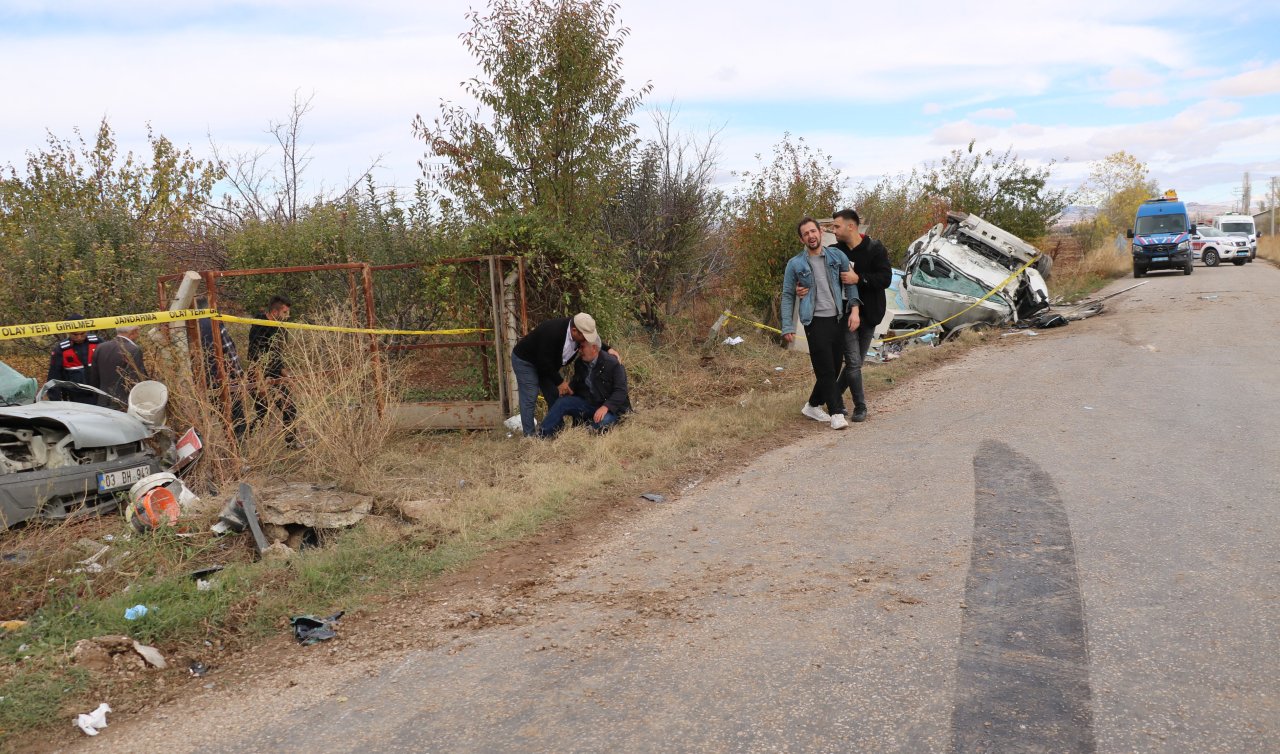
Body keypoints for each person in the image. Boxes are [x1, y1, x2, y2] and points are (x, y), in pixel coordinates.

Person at [780, 217, 859, 431]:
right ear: (801, 239)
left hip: (837, 318)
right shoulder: (795, 264)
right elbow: (787, 294)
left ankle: (812, 405)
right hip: (813, 321)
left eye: (813, 231)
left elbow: (850, 284)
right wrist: (787, 325)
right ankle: (835, 413)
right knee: (824, 368)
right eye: (806, 234)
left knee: (833, 367)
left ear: (820, 233)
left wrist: (854, 310)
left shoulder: (837, 256)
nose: (811, 236)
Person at [830, 209, 892, 422]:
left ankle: (833, 397)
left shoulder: (875, 249)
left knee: (856, 364)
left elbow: (885, 279)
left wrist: (859, 279)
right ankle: (860, 406)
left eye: (837, 226)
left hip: (871, 315)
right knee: (854, 362)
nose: (833, 230)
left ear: (851, 226)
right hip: (846, 315)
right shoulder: (835, 251)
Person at [510, 312, 609, 437]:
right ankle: (529, 436)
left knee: (553, 394)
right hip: (526, 361)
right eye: (585, 336)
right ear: (574, 331)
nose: (586, 340)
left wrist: (609, 348)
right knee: (530, 396)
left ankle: (555, 430)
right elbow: (543, 360)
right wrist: (560, 382)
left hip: (546, 365)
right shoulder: (552, 331)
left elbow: (594, 342)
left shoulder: (579, 332)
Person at [537, 333, 630, 437]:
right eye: (578, 347)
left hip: (613, 409)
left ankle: (586, 433)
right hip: (591, 404)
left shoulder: (613, 363)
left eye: (582, 347)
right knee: (562, 403)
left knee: (600, 423)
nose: (579, 350)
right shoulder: (579, 363)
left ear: (594, 348)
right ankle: (542, 436)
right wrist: (570, 389)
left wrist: (605, 407)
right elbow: (578, 383)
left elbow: (621, 391)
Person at [247, 295, 296, 428]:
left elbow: (275, 354)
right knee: (263, 413)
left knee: (290, 408)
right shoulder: (260, 325)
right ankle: (242, 439)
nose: (288, 316)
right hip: (258, 372)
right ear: (274, 312)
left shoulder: (277, 326)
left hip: (273, 371)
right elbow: (254, 355)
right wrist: (260, 381)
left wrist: (287, 376)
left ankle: (292, 443)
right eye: (285, 312)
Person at [45, 314, 101, 403]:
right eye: (74, 334)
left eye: (82, 333)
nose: (79, 337)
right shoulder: (61, 350)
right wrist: (55, 402)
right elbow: (53, 378)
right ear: (68, 332)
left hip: (99, 395)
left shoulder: (98, 342)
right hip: (75, 399)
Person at [89, 325, 147, 407]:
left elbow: (94, 378)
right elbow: (136, 379)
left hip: (102, 401)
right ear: (134, 332)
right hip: (124, 403)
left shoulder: (100, 347)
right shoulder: (134, 350)